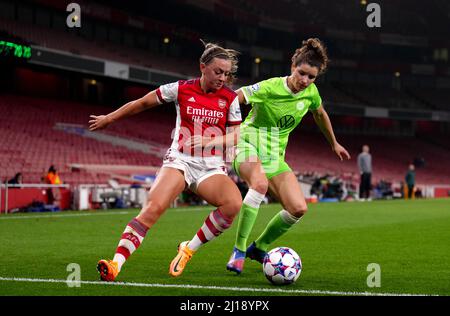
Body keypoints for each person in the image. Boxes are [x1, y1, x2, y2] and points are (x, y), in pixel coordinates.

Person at [89, 41, 243, 281]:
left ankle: (188, 248)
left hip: (210, 167)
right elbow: (141, 102)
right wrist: (110, 118)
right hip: (180, 161)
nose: (223, 77)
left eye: (226, 73)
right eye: (218, 71)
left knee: (233, 204)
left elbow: (236, 137)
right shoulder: (181, 89)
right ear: (202, 67)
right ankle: (115, 264)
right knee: (153, 208)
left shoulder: (230, 98)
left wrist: (207, 141)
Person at [225, 38, 351, 274]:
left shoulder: (311, 93)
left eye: (311, 77)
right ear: (293, 66)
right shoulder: (270, 87)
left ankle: (258, 247)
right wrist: (228, 127)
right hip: (247, 144)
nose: (305, 81)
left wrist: (333, 143)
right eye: (302, 73)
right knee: (259, 184)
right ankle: (238, 250)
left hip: (274, 156)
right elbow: (235, 97)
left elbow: (320, 114)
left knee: (298, 208)